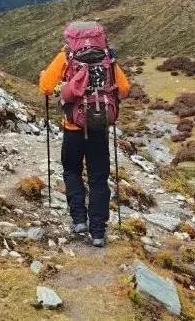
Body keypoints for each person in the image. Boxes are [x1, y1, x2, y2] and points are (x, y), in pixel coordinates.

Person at [38, 21, 130, 247]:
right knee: (99, 178)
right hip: (99, 128)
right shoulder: (107, 59)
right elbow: (125, 89)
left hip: (73, 127)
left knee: (71, 171)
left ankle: (79, 220)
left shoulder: (66, 57)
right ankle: (98, 232)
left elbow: (45, 87)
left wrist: (59, 85)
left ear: (71, 39)